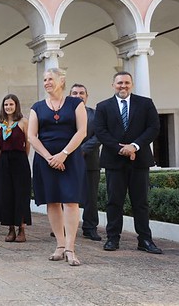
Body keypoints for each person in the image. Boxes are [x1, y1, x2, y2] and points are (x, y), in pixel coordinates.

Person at [95, 71, 163, 254]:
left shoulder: (145, 103)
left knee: (140, 203)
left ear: (131, 84)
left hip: (139, 160)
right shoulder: (103, 106)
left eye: (126, 83)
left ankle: (145, 240)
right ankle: (113, 239)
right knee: (114, 202)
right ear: (113, 85)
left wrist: (134, 146)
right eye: (119, 83)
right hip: (114, 161)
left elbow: (154, 127)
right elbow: (100, 131)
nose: (122, 86)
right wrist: (120, 148)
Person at [28, 68, 87, 266]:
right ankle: (60, 245)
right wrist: (48, 157)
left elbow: (82, 132)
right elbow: (32, 136)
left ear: (61, 81)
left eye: (50, 79)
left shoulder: (76, 103)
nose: (47, 82)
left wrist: (63, 154)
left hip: (70, 158)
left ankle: (71, 248)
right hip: (46, 160)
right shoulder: (37, 107)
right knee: (52, 202)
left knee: (71, 201)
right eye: (44, 79)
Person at [0, 94, 32, 243]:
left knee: (21, 194)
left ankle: (21, 228)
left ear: (16, 105)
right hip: (4, 160)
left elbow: (28, 143)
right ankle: (10, 228)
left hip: (19, 159)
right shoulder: (0, 123)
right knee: (7, 194)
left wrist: (23, 157)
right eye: (6, 105)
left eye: (11, 104)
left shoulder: (23, 122)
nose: (8, 107)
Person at [70, 84, 103, 242]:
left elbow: (100, 136)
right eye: (75, 93)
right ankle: (64, 226)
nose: (78, 96)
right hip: (67, 161)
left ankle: (90, 228)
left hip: (90, 161)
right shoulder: (63, 115)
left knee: (91, 196)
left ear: (87, 96)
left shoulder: (96, 115)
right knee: (67, 195)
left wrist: (82, 149)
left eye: (82, 93)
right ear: (70, 96)